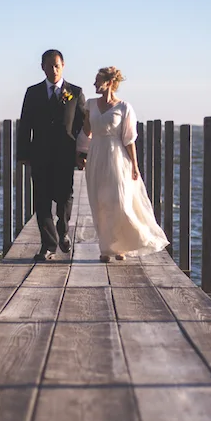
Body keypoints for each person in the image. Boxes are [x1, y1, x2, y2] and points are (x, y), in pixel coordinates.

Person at [76, 66, 168, 263]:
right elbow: (86, 132)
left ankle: (121, 246)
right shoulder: (90, 105)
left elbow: (128, 139)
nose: (94, 84)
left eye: (97, 80)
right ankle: (105, 248)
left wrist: (134, 165)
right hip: (96, 155)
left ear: (109, 83)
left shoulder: (124, 107)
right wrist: (81, 154)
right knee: (99, 202)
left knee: (119, 200)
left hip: (117, 156)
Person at [17, 49, 87, 261]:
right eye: (49, 66)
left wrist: (82, 153)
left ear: (63, 65)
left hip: (65, 155)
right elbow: (25, 124)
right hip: (40, 154)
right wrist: (23, 153)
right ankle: (48, 245)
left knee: (65, 196)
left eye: (57, 65)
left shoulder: (75, 92)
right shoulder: (33, 92)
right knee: (42, 200)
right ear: (42, 67)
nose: (53, 70)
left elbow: (84, 125)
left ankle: (63, 230)